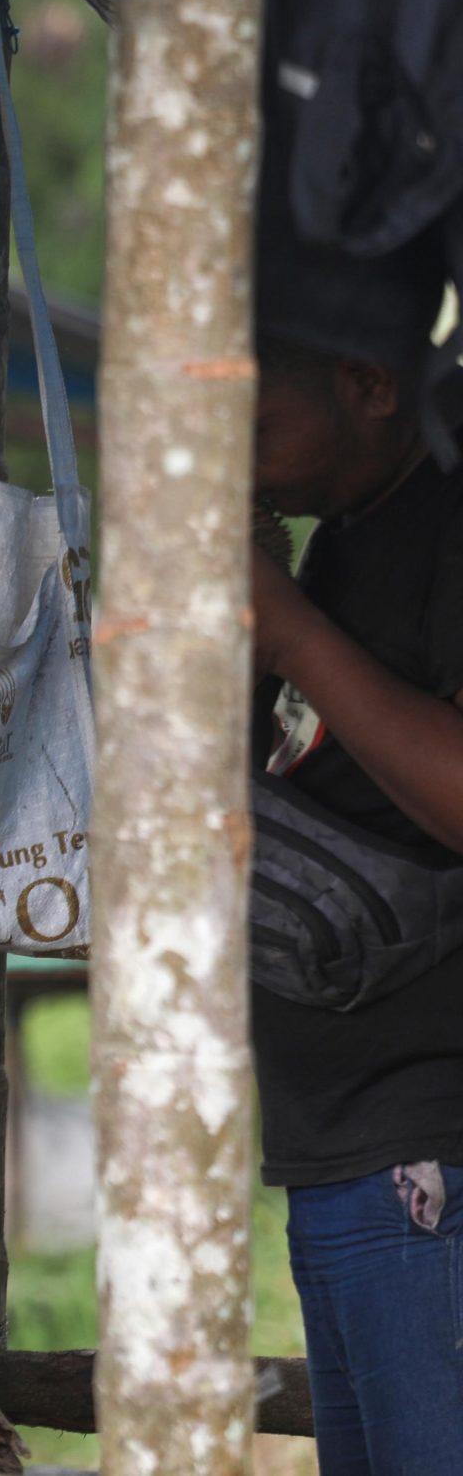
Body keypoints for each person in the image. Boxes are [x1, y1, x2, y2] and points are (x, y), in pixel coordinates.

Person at [248, 225, 463, 1475]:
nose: (234, 454)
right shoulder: (339, 533)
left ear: (367, 385)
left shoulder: (443, 524)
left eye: (256, 415)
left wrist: (283, 629)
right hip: (343, 1149)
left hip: (427, 1148)